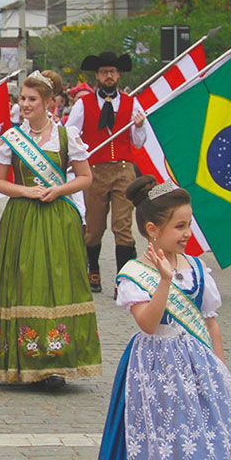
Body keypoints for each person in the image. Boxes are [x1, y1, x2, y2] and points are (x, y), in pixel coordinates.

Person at [93, 175, 231, 460]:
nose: (187, 233)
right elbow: (147, 322)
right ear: (152, 230)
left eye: (189, 224)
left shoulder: (197, 268)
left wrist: (223, 374)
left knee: (204, 441)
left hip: (199, 371)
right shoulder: (134, 274)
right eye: (180, 227)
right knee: (158, 438)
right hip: (154, 370)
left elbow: (211, 323)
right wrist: (164, 281)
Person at [0, 70, 102, 386]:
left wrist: (59, 190)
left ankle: (56, 361)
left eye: (32, 99)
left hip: (58, 216)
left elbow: (85, 177)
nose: (24, 105)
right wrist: (26, 191)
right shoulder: (11, 139)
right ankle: (19, 359)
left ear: (50, 103)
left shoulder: (66, 137)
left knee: (57, 280)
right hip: (22, 217)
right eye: (22, 99)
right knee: (23, 279)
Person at [66, 51, 149, 296]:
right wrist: (80, 152)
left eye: (112, 72)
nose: (109, 76)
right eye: (104, 72)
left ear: (118, 74)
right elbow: (70, 134)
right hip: (95, 170)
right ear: (97, 75)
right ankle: (92, 269)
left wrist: (140, 126)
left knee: (122, 226)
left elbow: (139, 141)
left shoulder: (132, 103)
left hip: (124, 170)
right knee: (94, 227)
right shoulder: (84, 104)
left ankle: (124, 279)